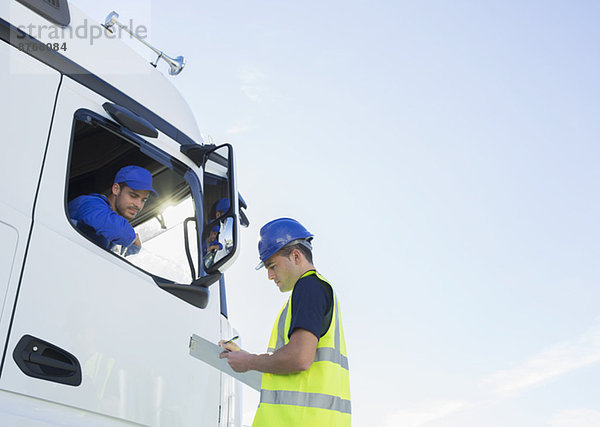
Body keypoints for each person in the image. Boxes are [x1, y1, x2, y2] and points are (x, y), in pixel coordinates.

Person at [219, 218, 351, 426]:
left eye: (272, 266)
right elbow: (292, 370)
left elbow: (299, 357)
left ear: (296, 256)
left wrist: (250, 361)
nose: (270, 276)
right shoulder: (313, 291)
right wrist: (244, 358)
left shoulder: (309, 287)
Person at [68, 165, 158, 255]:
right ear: (116, 189)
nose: (138, 205)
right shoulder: (90, 203)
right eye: (133, 196)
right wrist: (133, 238)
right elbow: (119, 231)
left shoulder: (112, 233)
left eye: (143, 200)